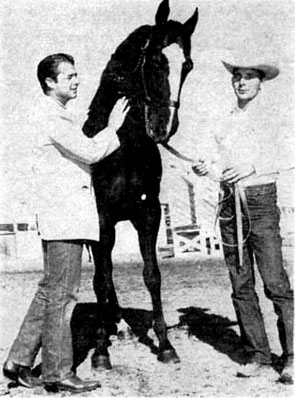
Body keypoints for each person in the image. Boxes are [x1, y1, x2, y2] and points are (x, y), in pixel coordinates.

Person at [2, 53, 129, 393]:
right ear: (50, 82)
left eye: (76, 75)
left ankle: (18, 360)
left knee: (49, 292)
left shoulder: (57, 115)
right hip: (65, 218)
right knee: (63, 296)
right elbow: (89, 152)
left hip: (62, 217)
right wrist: (113, 129)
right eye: (69, 76)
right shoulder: (52, 116)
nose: (76, 81)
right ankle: (58, 373)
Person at [192, 58, 294, 384]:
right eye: (237, 76)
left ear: (260, 82)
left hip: (260, 200)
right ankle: (259, 354)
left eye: (249, 77)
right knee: (240, 282)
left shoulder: (273, 118)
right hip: (228, 202)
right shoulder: (223, 118)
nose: (241, 82)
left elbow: (289, 154)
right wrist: (205, 168)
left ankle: (292, 356)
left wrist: (250, 167)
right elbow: (216, 161)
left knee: (275, 282)